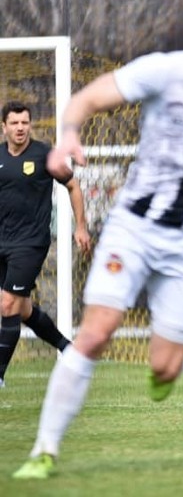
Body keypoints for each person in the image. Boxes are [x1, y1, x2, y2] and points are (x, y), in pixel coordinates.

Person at [12, 0, 183, 480]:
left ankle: (169, 361)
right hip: (135, 228)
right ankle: (43, 450)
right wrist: (68, 135)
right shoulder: (166, 71)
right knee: (94, 333)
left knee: (165, 369)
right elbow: (85, 101)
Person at [0, 102, 91, 388]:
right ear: (4, 127)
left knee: (7, 304)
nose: (20, 128)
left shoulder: (45, 155)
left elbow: (73, 186)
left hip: (30, 243)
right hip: (2, 241)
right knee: (22, 308)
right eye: (14, 123)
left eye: (24, 122)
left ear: (30, 125)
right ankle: (68, 348)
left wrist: (81, 226)